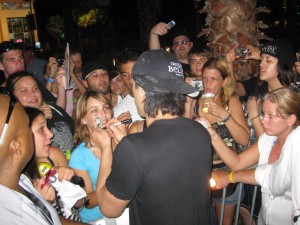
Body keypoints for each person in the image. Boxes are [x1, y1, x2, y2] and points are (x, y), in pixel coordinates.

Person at [95, 49, 212, 225]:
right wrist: (126, 144)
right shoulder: (200, 132)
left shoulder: (134, 149)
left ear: (141, 90)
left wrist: (106, 148)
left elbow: (108, 208)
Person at [200, 87, 300, 225]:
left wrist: (230, 177)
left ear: (291, 119)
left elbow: (273, 177)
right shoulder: (267, 139)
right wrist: (211, 133)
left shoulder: (297, 148)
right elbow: (237, 162)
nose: (263, 121)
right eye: (263, 114)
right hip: (264, 219)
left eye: (271, 116)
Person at [197, 57, 250, 225]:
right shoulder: (194, 100)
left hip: (226, 169)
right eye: (205, 78)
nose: (208, 83)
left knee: (223, 222)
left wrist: (223, 115)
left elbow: (244, 139)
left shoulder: (230, 101)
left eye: (214, 79)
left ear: (224, 81)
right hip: (200, 170)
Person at [0, 92, 62, 224]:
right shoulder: (13, 217)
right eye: (27, 127)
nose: (50, 134)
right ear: (16, 146)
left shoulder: (19, 180)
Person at [227, 39, 297, 138]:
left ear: (282, 65)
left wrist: (254, 115)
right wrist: (230, 63)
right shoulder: (260, 84)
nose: (261, 64)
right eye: (261, 59)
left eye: (268, 61)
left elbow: (273, 143)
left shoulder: (292, 98)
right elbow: (236, 89)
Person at [6, 71, 74, 156]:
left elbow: (75, 131)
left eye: (35, 88)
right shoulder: (12, 125)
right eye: (24, 91)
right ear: (12, 96)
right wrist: (37, 119)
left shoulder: (53, 108)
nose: (33, 93)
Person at [113, 50, 143, 122]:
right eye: (125, 75)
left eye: (135, 72)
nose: (131, 79)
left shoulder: (159, 99)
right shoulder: (119, 112)